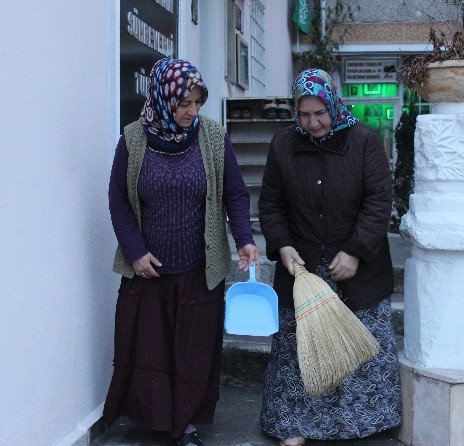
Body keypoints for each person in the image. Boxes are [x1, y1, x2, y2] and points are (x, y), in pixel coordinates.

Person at [103, 57, 259, 446]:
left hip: (198, 268)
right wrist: (135, 252)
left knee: (194, 349)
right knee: (150, 348)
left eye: (197, 103)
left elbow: (235, 194)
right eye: (184, 103)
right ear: (163, 96)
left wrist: (244, 239)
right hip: (148, 271)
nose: (191, 111)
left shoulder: (212, 136)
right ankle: (156, 420)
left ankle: (185, 424)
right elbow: (119, 200)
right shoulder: (133, 139)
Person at [258, 68, 402, 446]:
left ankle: (362, 423)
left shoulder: (363, 142)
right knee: (301, 353)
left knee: (357, 347)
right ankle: (298, 425)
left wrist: (355, 251)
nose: (313, 122)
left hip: (356, 269)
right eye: (304, 114)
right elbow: (271, 204)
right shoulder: (283, 145)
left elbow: (378, 201)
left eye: (319, 113)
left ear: (333, 104)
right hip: (303, 268)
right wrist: (282, 244)